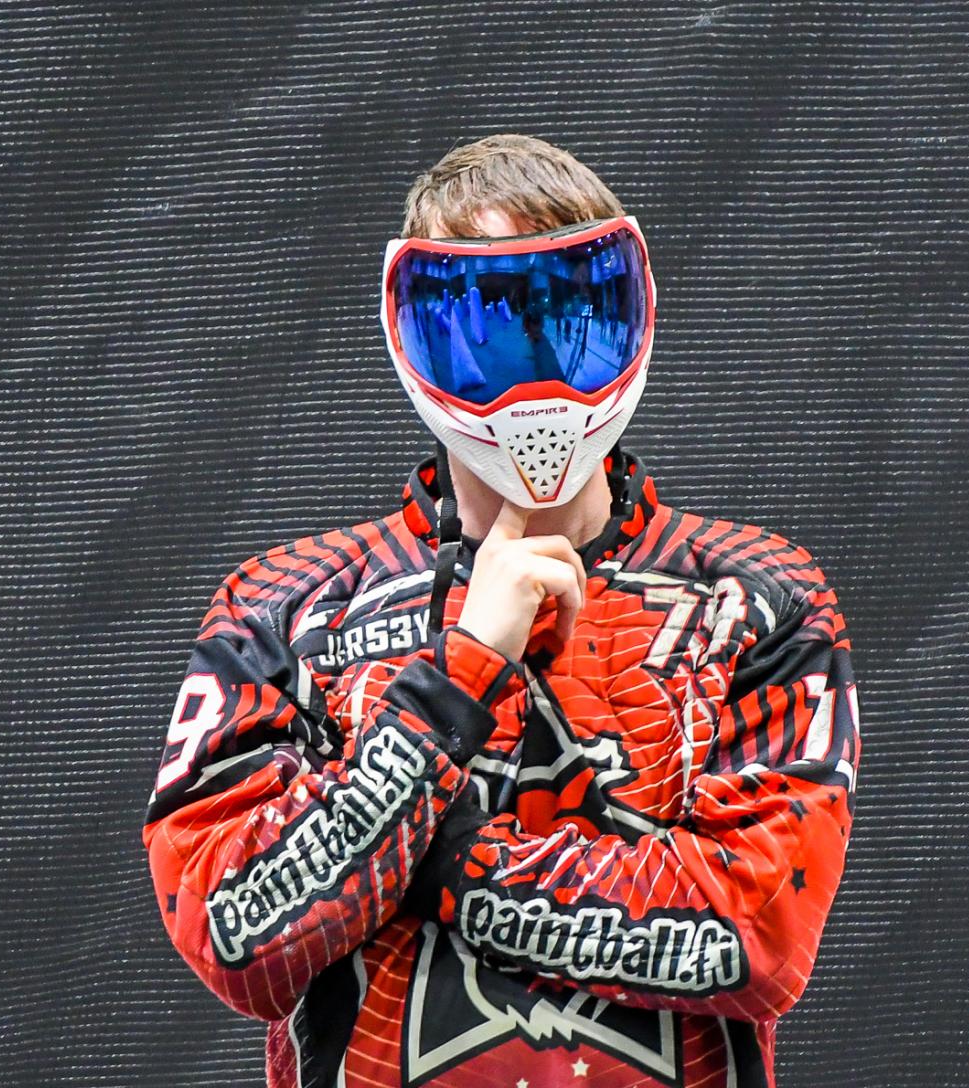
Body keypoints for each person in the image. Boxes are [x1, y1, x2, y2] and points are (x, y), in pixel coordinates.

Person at [142, 133, 861, 1088]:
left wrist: (431, 859)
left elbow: (757, 940)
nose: (534, 378)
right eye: (485, 327)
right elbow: (239, 936)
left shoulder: (757, 595)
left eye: (567, 320)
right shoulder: (289, 606)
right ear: (413, 334)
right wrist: (463, 671)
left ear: (629, 314)